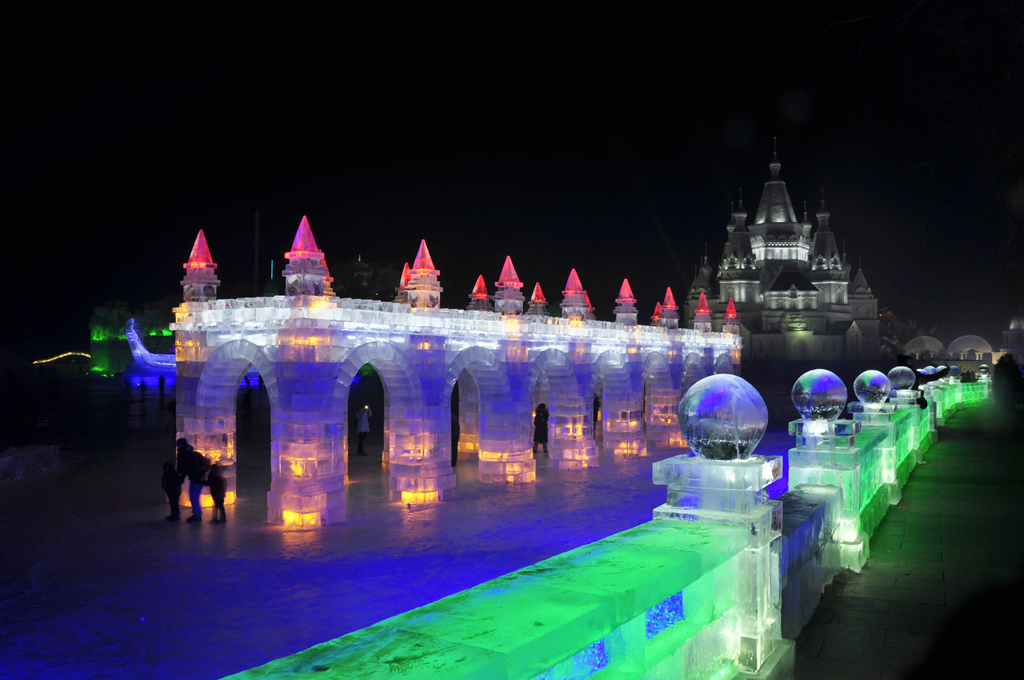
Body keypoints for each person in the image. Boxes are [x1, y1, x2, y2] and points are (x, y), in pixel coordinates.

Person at [176, 437, 207, 523]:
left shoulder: (186, 455)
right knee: (193, 495)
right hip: (197, 477)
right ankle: (196, 514)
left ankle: (197, 515)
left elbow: (185, 468)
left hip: (197, 477)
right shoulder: (186, 453)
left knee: (194, 496)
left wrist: (183, 478)